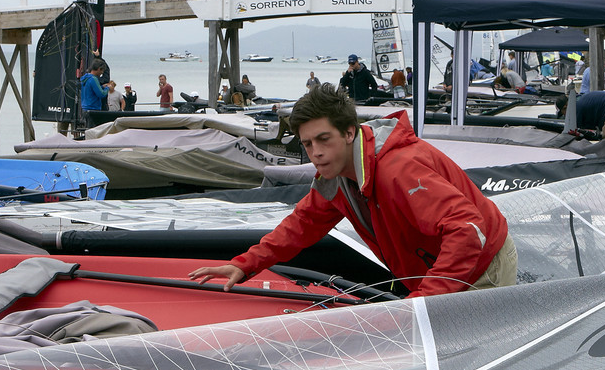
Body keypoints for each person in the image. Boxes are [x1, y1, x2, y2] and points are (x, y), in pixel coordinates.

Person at [188, 84, 515, 298]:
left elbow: (468, 231)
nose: (315, 152)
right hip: (435, 267)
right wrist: (245, 264)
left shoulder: (399, 168)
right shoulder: (339, 175)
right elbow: (302, 224)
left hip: (483, 264)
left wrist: (422, 304)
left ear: (348, 132)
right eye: (307, 144)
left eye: (323, 139)